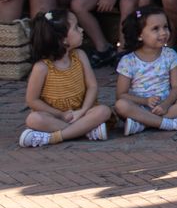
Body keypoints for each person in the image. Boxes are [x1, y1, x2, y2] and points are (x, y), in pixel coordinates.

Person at [17, 9, 112, 147]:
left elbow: (92, 86)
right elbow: (32, 100)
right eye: (76, 27)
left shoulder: (80, 55)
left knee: (103, 111)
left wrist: (83, 111)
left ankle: (52, 138)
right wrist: (60, 114)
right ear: (63, 39)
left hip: (81, 113)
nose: (81, 30)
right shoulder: (42, 67)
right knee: (33, 119)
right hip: (55, 116)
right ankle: (85, 130)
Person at [114, 8, 177, 135]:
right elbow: (121, 95)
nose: (163, 33)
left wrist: (166, 104)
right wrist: (145, 101)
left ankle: (143, 123)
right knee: (121, 105)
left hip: (165, 106)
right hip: (139, 107)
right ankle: (170, 124)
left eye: (165, 27)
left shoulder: (170, 55)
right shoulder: (128, 61)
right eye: (155, 29)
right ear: (139, 35)